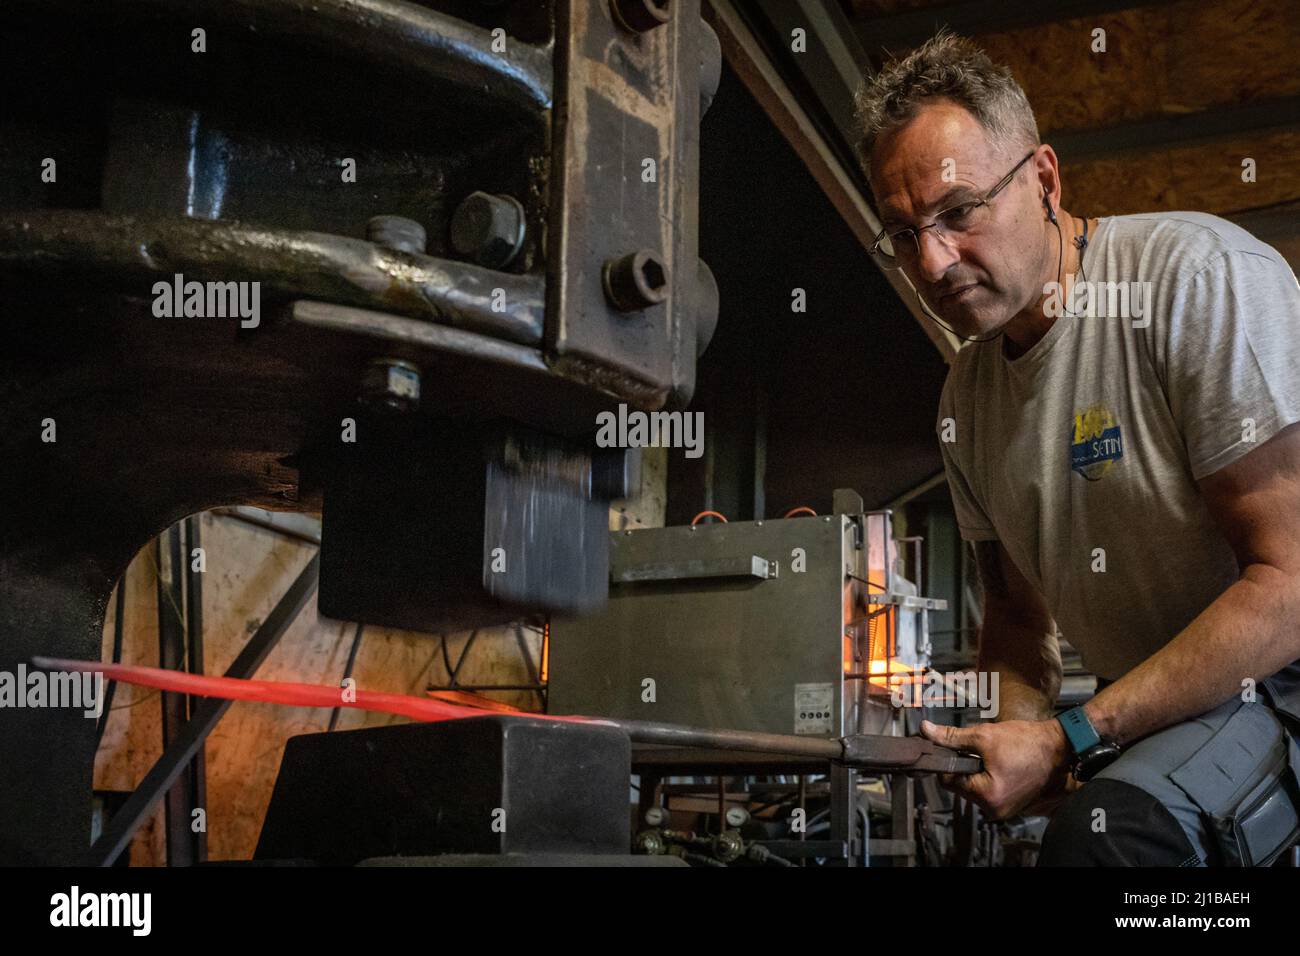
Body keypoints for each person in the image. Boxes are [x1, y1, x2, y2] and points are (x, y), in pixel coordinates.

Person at [853, 30, 1300, 865]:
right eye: (903, 233)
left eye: (958, 213)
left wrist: (1072, 740)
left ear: (1046, 179)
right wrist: (1009, 741)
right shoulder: (968, 399)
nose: (934, 260)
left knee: (1110, 840)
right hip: (1174, 713)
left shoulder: (1194, 281)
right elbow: (1020, 626)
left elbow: (1291, 583)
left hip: (1282, 679)